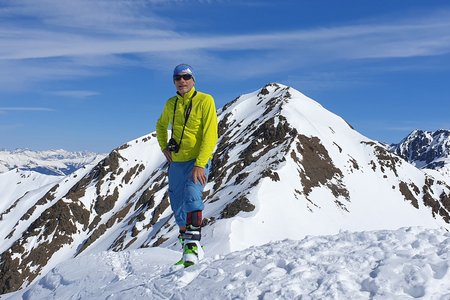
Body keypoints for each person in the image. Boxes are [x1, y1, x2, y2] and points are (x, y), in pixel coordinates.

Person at [156, 64, 218, 266]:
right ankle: (187, 249)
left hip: (196, 161)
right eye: (177, 78)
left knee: (192, 194)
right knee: (177, 204)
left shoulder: (205, 100)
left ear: (193, 80)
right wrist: (164, 146)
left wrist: (200, 164)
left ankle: (193, 245)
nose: (182, 81)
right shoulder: (171, 103)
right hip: (176, 161)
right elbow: (161, 125)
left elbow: (210, 134)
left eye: (186, 77)